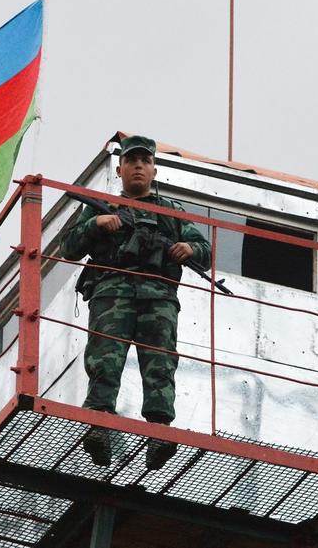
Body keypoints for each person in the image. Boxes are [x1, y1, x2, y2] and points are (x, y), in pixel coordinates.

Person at [59, 135, 211, 469]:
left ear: (154, 169)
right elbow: (67, 248)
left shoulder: (170, 211)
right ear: (120, 168)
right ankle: (98, 425)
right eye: (132, 160)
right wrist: (97, 224)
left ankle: (158, 431)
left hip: (158, 297)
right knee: (104, 360)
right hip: (112, 293)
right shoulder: (101, 205)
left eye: (144, 161)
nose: (138, 166)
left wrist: (189, 250)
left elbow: (205, 250)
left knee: (159, 364)